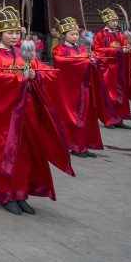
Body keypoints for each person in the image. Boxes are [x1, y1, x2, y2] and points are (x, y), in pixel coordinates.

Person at [0, 6, 73, 216]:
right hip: (5, 115)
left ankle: (22, 193)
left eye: (17, 32)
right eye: (9, 33)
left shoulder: (25, 53)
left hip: (27, 110)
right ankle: (5, 194)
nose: (14, 36)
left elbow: (44, 70)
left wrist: (37, 75)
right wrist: (18, 77)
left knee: (26, 152)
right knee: (6, 152)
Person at [50, 17, 106, 158]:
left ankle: (85, 145)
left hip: (84, 87)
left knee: (87, 116)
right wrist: (83, 61)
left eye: (76, 34)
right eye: (71, 34)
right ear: (64, 35)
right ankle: (75, 146)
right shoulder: (59, 49)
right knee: (73, 117)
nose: (75, 36)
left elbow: (96, 58)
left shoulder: (83, 48)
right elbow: (60, 61)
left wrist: (94, 60)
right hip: (69, 89)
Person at [92, 7, 131, 129]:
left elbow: (126, 47)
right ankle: (109, 119)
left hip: (120, 69)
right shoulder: (100, 35)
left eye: (116, 20)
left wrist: (129, 49)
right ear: (106, 21)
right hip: (107, 69)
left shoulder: (120, 35)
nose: (115, 23)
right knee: (109, 94)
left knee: (121, 95)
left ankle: (120, 118)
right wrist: (118, 50)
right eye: (112, 20)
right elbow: (97, 50)